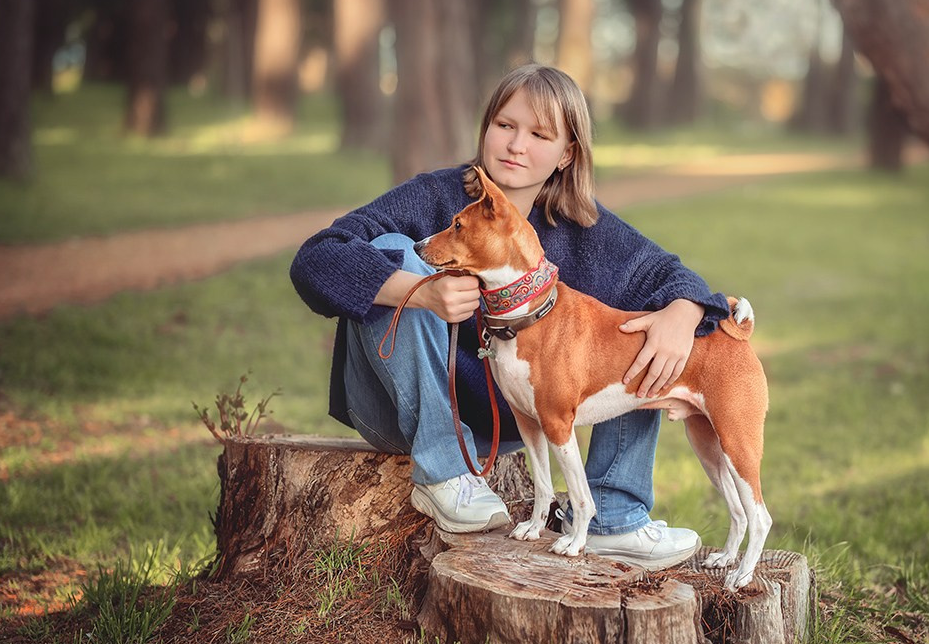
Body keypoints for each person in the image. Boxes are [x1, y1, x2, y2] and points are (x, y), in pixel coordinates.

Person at [290, 64, 731, 571]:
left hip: (504, 425)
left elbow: (675, 277)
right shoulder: (435, 198)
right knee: (393, 251)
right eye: (505, 125)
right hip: (397, 409)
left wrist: (684, 311)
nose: (516, 144)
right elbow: (315, 258)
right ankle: (443, 473)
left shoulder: (584, 227)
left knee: (646, 317)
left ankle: (615, 514)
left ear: (568, 153)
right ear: (486, 127)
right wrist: (417, 293)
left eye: (540, 134)